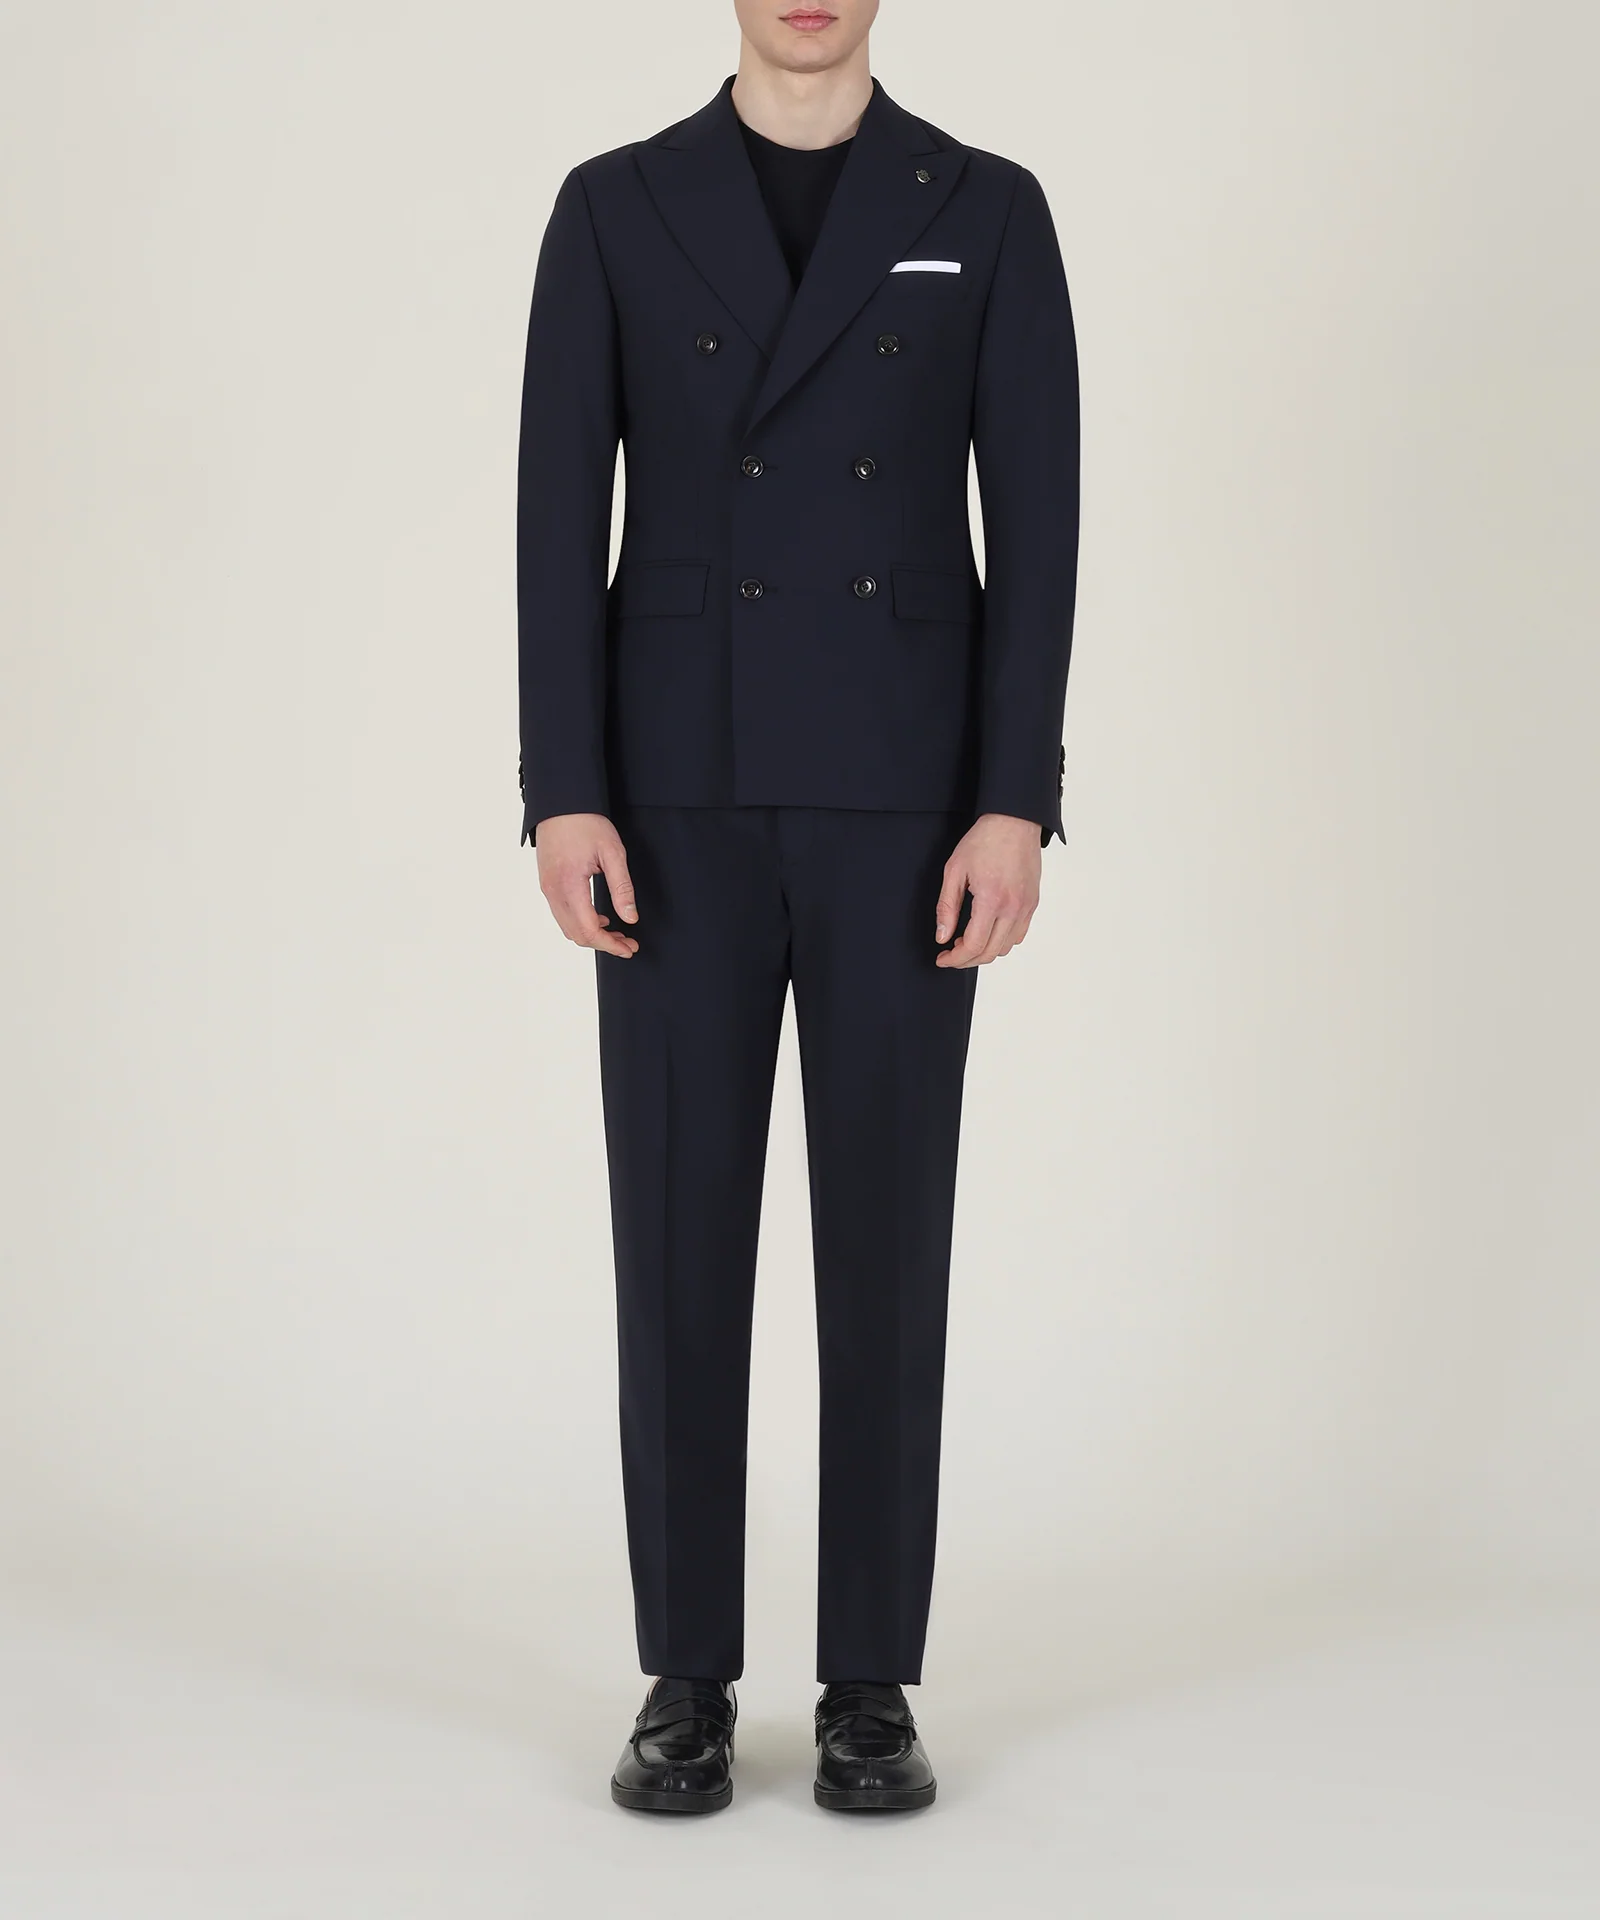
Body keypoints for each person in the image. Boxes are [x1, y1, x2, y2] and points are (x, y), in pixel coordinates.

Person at [515, 0, 1079, 1815]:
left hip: (907, 797)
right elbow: (555, 517)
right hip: (672, 793)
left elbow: (1038, 527)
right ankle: (686, 1670)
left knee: (888, 1242)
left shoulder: (985, 207)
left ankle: (869, 1683)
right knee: (677, 1233)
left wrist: (1014, 799)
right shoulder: (613, 205)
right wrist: (564, 786)